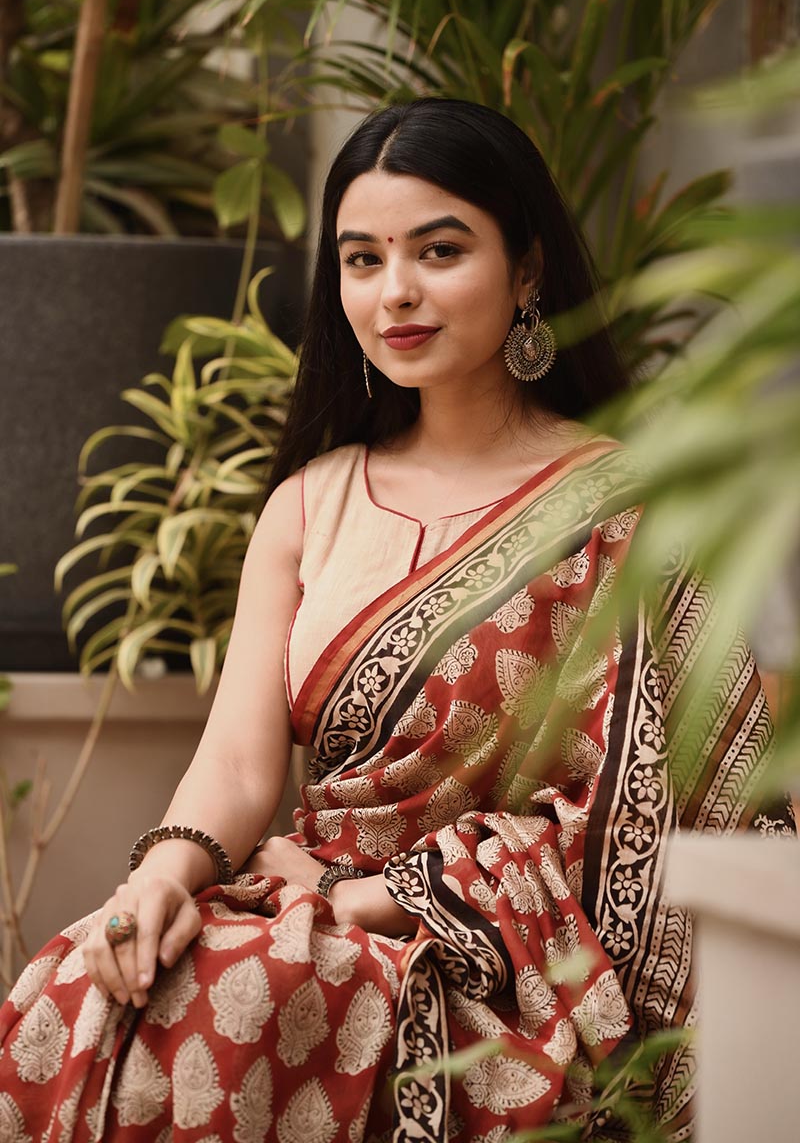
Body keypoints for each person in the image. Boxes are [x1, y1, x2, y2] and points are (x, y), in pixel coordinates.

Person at [0, 99, 792, 1143]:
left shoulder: (631, 505)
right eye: (361, 259)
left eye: (438, 249)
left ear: (526, 272)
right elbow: (238, 769)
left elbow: (677, 810)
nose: (395, 292)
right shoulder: (309, 501)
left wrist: (393, 896)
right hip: (299, 919)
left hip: (513, 968)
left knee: (239, 993)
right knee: (77, 990)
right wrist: (155, 881)